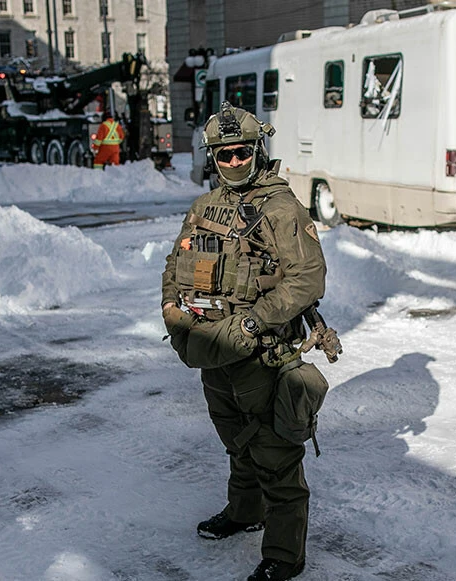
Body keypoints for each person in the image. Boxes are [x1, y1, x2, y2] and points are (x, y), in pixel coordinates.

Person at [160, 102, 330, 581]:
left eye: (241, 152)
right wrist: (172, 310)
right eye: (224, 155)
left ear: (257, 150)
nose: (233, 161)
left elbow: (307, 280)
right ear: (212, 158)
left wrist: (255, 323)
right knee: (236, 439)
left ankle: (285, 555)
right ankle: (245, 511)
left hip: (261, 350)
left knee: (274, 452)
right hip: (211, 345)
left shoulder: (281, 208)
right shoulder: (204, 206)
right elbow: (175, 265)